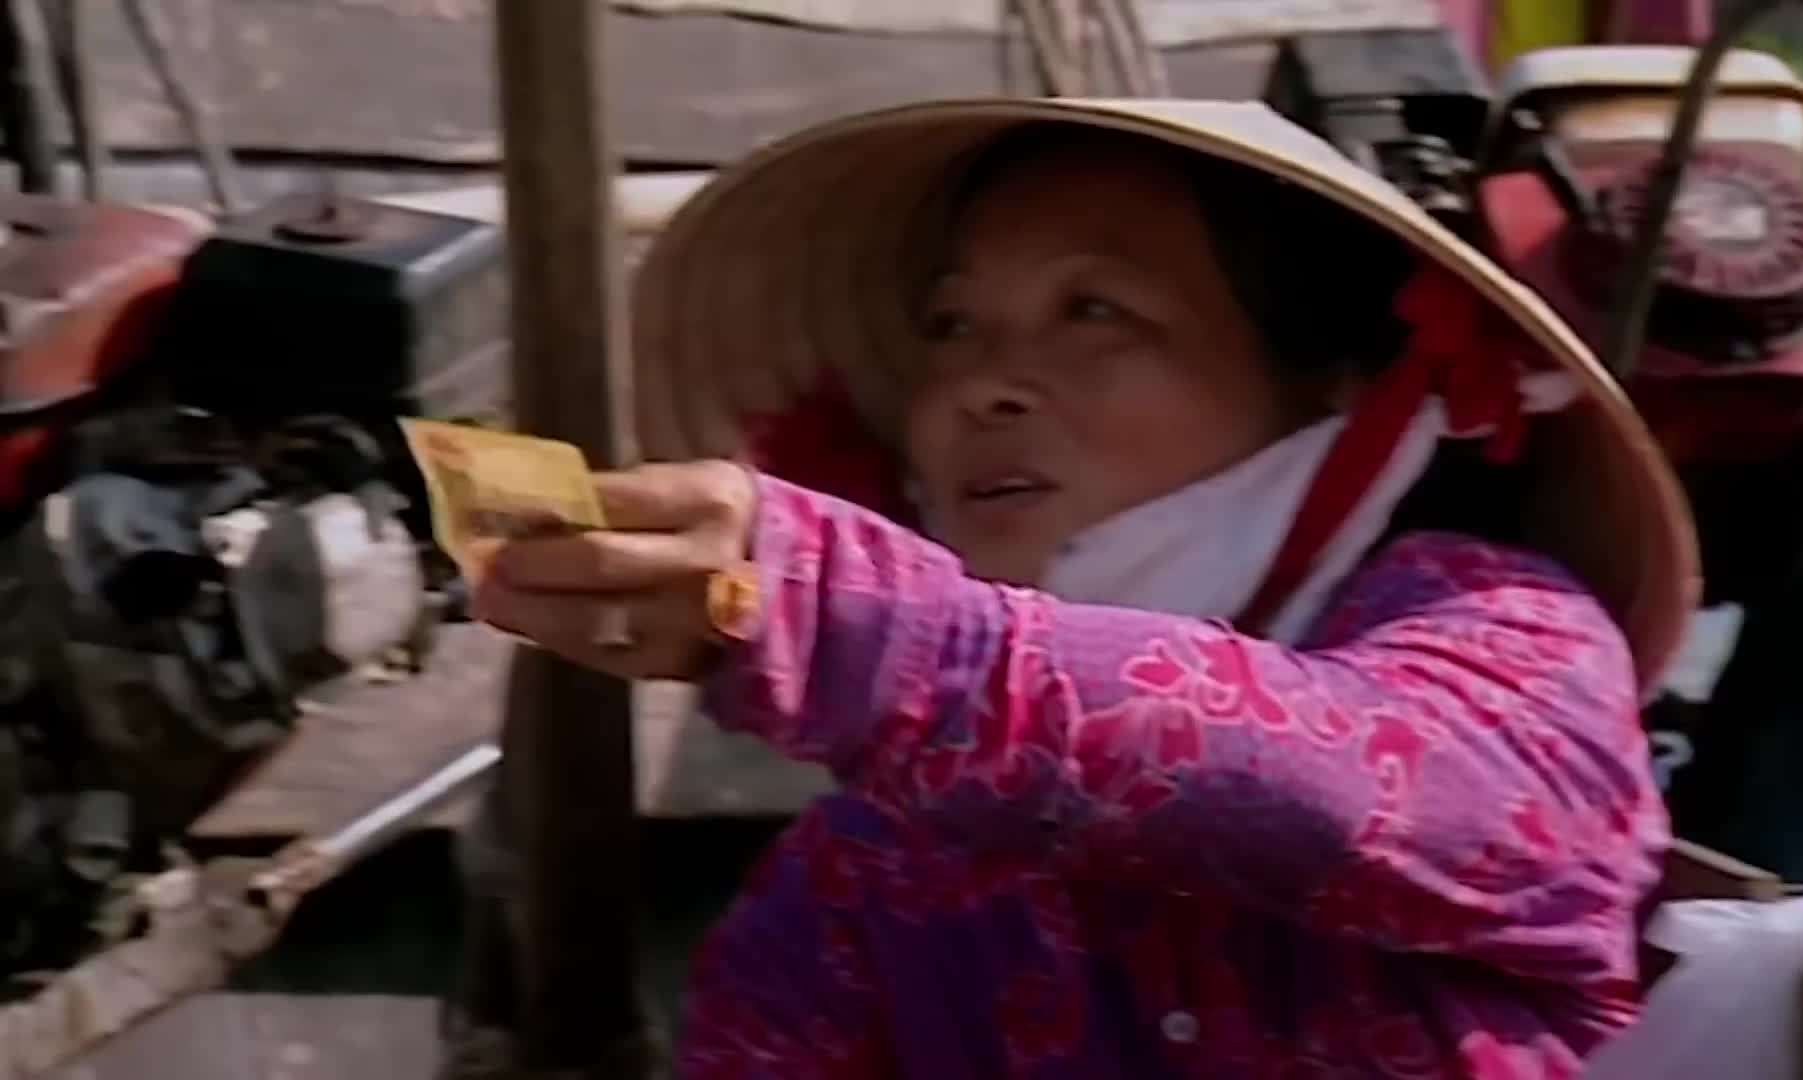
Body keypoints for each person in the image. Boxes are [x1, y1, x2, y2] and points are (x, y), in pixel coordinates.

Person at [466, 101, 1698, 1077]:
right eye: (953, 328)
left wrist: (853, 629)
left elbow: (1346, 790)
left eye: (1095, 310)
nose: (982, 388)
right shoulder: (865, 873)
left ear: (1336, 382)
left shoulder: (1507, 636)